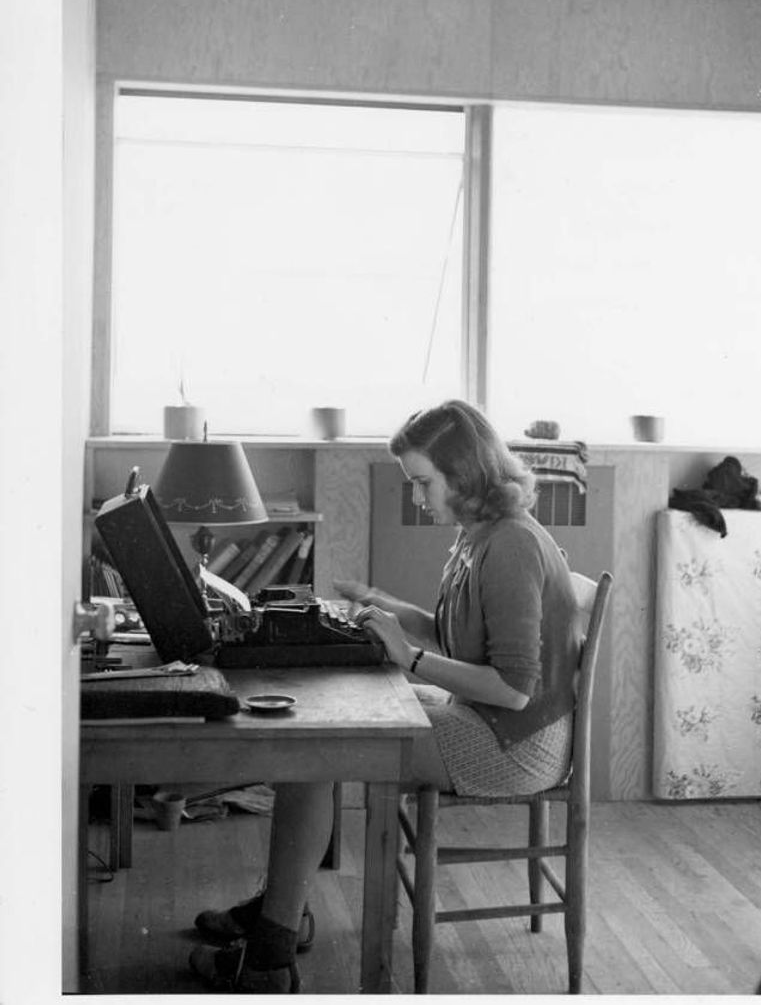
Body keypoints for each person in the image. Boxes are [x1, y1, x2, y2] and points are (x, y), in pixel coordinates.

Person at [188, 399, 583, 992]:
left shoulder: (511, 546)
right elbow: (464, 634)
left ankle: (272, 948)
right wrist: (386, 608)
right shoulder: (480, 534)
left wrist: (412, 657)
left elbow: (514, 690)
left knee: (319, 748)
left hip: (514, 744)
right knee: (318, 732)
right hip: (486, 718)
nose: (420, 498)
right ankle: (280, 914)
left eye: (423, 483)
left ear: (467, 473)